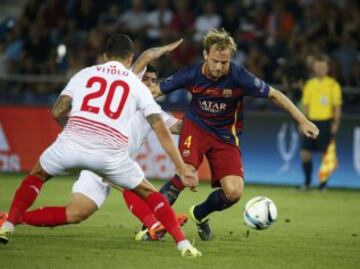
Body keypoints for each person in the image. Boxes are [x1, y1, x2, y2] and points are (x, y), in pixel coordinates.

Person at [0, 33, 201, 257]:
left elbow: (57, 111)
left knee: (62, 199)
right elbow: (163, 129)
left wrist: (72, 133)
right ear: (130, 59)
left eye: (154, 81)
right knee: (144, 191)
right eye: (148, 79)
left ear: (104, 55)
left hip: (75, 146)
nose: (151, 84)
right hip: (110, 157)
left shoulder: (85, 74)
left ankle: (10, 220)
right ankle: (174, 238)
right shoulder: (135, 85)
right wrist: (182, 168)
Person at [150, 29, 319, 241]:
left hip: (225, 137)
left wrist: (303, 120)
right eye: (215, 61)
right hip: (196, 128)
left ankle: (199, 213)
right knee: (187, 172)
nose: (220, 67)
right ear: (205, 55)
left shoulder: (239, 76)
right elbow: (155, 92)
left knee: (234, 193)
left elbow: (274, 95)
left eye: (225, 62)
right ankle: (151, 224)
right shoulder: (191, 74)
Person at [299, 54, 342, 191]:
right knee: (305, 153)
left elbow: (337, 107)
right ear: (314, 68)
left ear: (327, 68)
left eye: (323, 67)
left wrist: (335, 123)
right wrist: (302, 122)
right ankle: (307, 183)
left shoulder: (333, 85)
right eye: (317, 67)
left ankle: (323, 185)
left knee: (326, 155)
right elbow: (305, 106)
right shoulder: (310, 85)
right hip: (310, 122)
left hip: (326, 122)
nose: (320, 69)